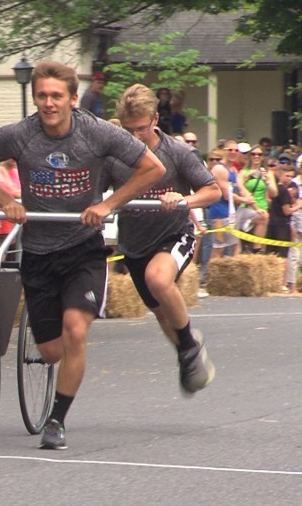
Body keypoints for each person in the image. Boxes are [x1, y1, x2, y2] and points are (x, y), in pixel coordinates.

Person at [0, 61, 166, 450]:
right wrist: (6, 199)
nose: (49, 103)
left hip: (82, 249)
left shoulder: (96, 132)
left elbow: (151, 168)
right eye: (42, 95)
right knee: (51, 350)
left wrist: (109, 205)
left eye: (57, 96)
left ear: (73, 98)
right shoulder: (21, 134)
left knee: (76, 331)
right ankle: (53, 380)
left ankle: (56, 420)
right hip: (38, 251)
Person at [109, 83, 220, 398]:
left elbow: (213, 191)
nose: (136, 137)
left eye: (142, 129)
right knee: (160, 311)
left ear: (155, 119)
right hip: (134, 242)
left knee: (158, 279)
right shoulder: (115, 155)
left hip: (173, 233)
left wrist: (184, 198)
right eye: (129, 130)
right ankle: (186, 351)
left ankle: (188, 347)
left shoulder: (177, 152)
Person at [236, 144, 277, 253]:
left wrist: (267, 180)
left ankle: (257, 249)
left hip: (262, 207)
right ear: (249, 156)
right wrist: (248, 178)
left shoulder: (268, 173)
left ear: (263, 156)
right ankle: (256, 248)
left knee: (264, 216)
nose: (256, 156)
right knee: (264, 217)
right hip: (247, 208)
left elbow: (274, 193)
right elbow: (242, 190)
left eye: (259, 154)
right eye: (253, 154)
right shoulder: (243, 173)